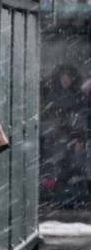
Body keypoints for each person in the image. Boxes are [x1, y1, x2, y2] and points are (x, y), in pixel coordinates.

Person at [41, 64, 88, 201]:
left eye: (68, 77)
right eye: (63, 77)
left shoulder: (80, 96)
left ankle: (68, 198)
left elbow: (82, 119)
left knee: (71, 168)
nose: (66, 80)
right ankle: (57, 196)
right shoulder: (50, 96)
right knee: (54, 168)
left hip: (71, 140)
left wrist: (79, 138)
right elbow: (46, 118)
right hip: (54, 139)